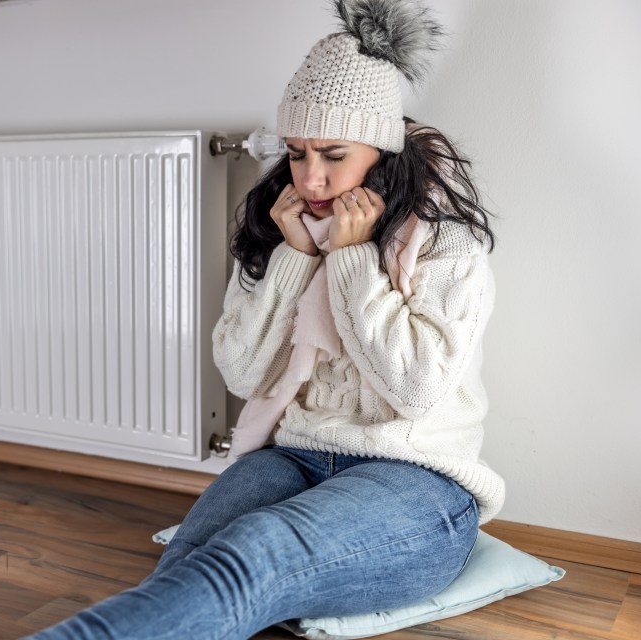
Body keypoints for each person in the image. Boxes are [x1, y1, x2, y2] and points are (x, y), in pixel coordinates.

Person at [25, 1, 504, 638]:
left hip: (415, 482)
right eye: (298, 152)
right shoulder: (286, 231)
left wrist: (353, 259)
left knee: (247, 562)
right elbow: (246, 372)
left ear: (382, 153)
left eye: (333, 154)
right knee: (186, 566)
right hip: (295, 456)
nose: (310, 177)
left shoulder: (447, 247)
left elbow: (416, 390)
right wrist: (295, 260)